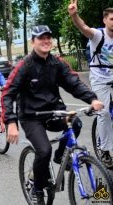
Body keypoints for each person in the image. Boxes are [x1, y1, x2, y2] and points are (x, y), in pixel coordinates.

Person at [1, 25, 104, 205]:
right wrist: (11, 122)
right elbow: (7, 93)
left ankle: (60, 156)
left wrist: (92, 99)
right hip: (31, 116)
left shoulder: (57, 63)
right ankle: (38, 189)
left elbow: (73, 83)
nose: (46, 41)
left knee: (76, 123)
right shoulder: (24, 66)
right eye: (41, 38)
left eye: (49, 37)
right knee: (43, 150)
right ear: (33, 42)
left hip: (54, 111)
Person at [68, 0, 113, 169]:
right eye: (112, 19)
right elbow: (84, 28)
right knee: (104, 113)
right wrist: (74, 16)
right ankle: (105, 150)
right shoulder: (98, 35)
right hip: (99, 79)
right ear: (105, 20)